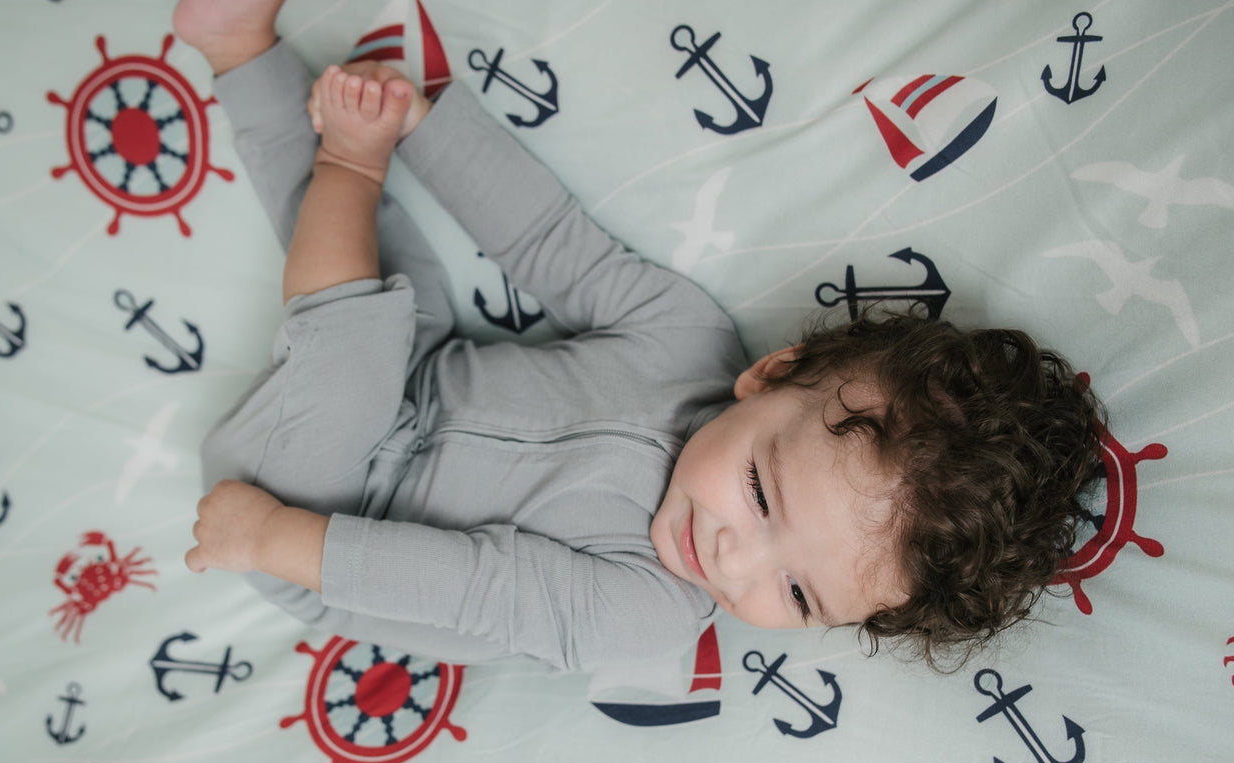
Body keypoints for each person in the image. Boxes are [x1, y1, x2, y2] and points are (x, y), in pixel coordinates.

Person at [177, 0, 1106, 675]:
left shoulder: (646, 613)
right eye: (758, 491)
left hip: (316, 524)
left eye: (797, 598)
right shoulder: (685, 339)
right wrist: (422, 128)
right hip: (414, 372)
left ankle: (343, 156)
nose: (739, 560)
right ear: (772, 374)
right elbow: (550, 242)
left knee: (356, 331)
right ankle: (237, 50)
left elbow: (468, 587)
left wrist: (270, 537)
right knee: (392, 288)